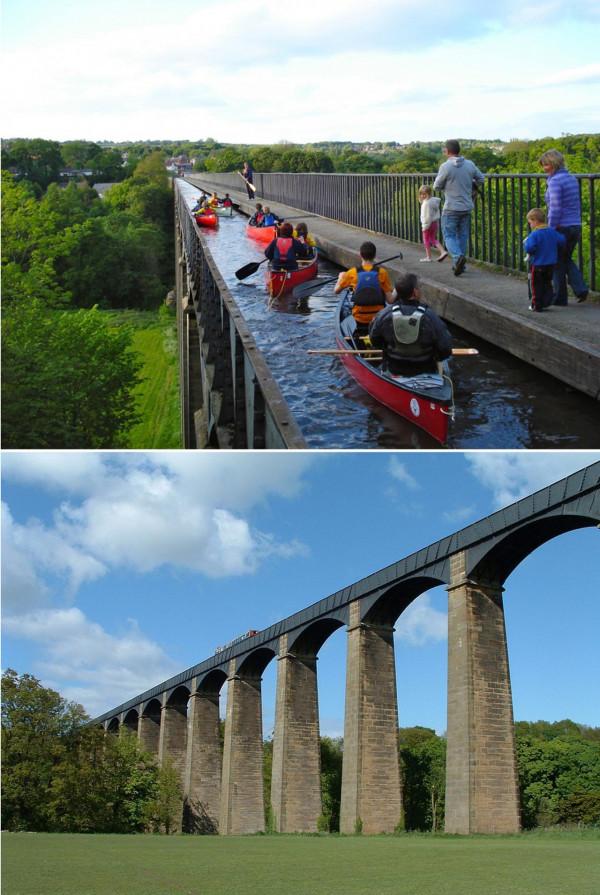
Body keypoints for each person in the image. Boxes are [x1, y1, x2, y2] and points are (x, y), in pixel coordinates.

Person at [369, 273, 452, 376]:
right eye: (419, 287)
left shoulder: (383, 315)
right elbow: (446, 348)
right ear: (415, 292)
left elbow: (374, 340)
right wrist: (436, 356)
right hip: (424, 369)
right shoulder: (431, 316)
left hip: (394, 368)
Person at [540, 149, 589, 305]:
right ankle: (580, 289)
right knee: (564, 258)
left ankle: (560, 297)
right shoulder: (571, 178)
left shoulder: (555, 182)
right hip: (575, 226)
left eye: (546, 165)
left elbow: (555, 208)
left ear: (554, 164)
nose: (544, 168)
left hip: (562, 226)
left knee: (557, 262)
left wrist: (550, 229)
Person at [433, 139, 485, 276]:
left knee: (448, 235)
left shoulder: (445, 167)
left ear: (447, 151)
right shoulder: (470, 164)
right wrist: (471, 186)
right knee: (462, 235)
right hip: (467, 206)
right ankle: (459, 265)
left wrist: (448, 186)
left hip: (451, 207)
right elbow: (481, 179)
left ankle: (457, 257)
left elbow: (436, 186)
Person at [334, 241, 394, 338]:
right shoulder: (382, 273)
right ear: (374, 255)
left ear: (360, 255)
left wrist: (340, 278)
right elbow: (390, 300)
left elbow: (336, 291)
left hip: (359, 319)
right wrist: (397, 290)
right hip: (378, 318)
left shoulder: (351, 273)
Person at [523, 208, 566, 312]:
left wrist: (526, 243)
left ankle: (536, 305)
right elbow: (562, 240)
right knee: (547, 283)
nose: (530, 225)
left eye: (530, 223)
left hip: (538, 264)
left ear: (535, 221)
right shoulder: (552, 232)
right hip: (551, 264)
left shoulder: (534, 234)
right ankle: (546, 301)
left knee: (536, 285)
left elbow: (530, 248)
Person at [418, 185, 447, 262]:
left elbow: (427, 217)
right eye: (421, 194)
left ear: (429, 194)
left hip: (428, 224)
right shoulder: (432, 201)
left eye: (425, 194)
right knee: (433, 239)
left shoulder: (426, 204)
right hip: (434, 223)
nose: (423, 196)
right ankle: (443, 251)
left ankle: (428, 257)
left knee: (426, 240)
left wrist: (425, 226)